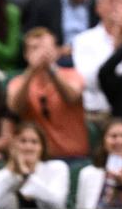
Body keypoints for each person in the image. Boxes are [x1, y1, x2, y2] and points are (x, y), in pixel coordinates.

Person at [7, 28, 88, 159]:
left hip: (74, 157)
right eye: (35, 49)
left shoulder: (72, 75)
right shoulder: (17, 82)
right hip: (37, 159)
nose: (41, 54)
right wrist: (32, 70)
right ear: (26, 55)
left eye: (46, 49)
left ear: (56, 52)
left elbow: (72, 97)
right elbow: (16, 108)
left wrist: (51, 69)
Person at [0, 122, 69, 209]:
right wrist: (15, 175)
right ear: (14, 145)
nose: (28, 147)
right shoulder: (3, 175)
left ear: (42, 147)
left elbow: (57, 204)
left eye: (34, 142)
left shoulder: (57, 168)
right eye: (23, 141)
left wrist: (26, 175)